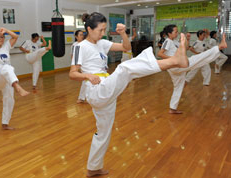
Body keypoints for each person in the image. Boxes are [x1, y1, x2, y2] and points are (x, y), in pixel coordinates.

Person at [70, 12, 191, 177]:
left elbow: (126, 48)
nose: (102, 33)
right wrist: (87, 75)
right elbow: (72, 73)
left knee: (103, 131)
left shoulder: (103, 43)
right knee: (124, 69)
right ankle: (175, 61)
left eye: (105, 29)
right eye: (100, 30)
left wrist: (122, 34)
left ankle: (93, 167)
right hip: (96, 90)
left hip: (106, 90)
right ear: (89, 29)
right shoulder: (79, 47)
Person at [158, 25, 227, 114]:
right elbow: (160, 53)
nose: (177, 33)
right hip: (176, 65)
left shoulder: (174, 42)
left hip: (176, 67)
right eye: (175, 32)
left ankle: (172, 108)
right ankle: (219, 47)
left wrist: (187, 39)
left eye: (177, 31)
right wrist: (173, 60)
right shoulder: (167, 41)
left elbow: (186, 48)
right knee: (196, 58)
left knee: (178, 86)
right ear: (169, 33)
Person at [71, 30, 86, 103]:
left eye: (82, 35)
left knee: (86, 80)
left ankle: (82, 98)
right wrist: (76, 68)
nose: (82, 36)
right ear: (76, 37)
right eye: (80, 35)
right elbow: (73, 56)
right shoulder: (75, 45)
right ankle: (81, 98)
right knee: (85, 79)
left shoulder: (86, 43)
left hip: (87, 63)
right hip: (80, 64)